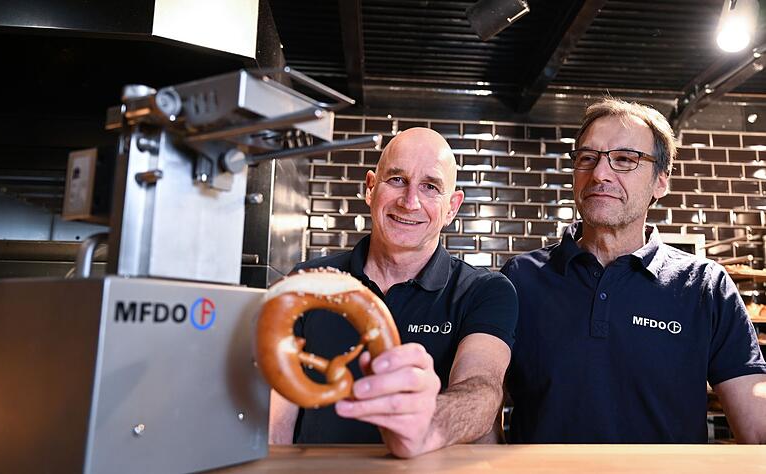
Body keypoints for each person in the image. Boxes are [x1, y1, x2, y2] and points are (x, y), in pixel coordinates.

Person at [500, 97, 766, 443]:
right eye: (587, 158)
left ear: (661, 182)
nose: (599, 174)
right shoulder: (521, 278)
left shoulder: (705, 286)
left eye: (624, 159)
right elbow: (481, 396)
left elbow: (757, 429)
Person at [268, 127, 518, 458]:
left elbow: (482, 390)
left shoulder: (484, 291)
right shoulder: (306, 283)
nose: (410, 201)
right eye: (397, 180)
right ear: (371, 188)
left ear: (452, 207)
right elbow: (276, 422)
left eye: (430, 187)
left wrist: (430, 424)